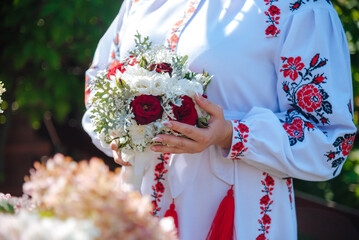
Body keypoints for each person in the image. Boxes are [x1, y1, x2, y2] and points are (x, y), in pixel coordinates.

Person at [82, 0, 357, 239]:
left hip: (234, 214)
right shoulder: (141, 2)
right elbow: (99, 82)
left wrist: (232, 134)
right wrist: (115, 129)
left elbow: (330, 140)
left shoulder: (298, 8)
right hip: (136, 207)